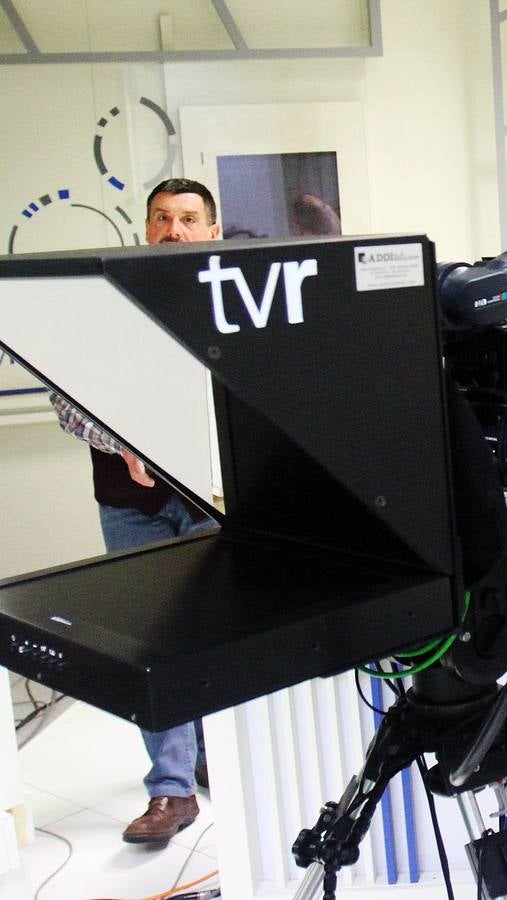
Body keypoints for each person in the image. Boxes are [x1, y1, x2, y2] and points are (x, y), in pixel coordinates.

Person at [50, 177, 222, 845]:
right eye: (161, 218)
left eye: (187, 219)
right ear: (144, 227)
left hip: (210, 500)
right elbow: (66, 401)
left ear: (210, 230)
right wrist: (126, 442)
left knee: (213, 635)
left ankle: (208, 751)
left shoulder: (231, 305)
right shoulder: (102, 304)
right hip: (131, 504)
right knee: (153, 644)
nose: (173, 230)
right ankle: (172, 792)